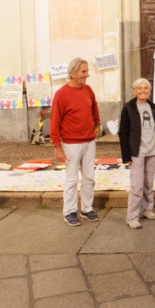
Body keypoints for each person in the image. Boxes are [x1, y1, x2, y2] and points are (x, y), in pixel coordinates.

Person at [50, 58, 100, 226]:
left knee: (89, 177)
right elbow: (55, 122)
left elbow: (94, 108)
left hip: (89, 142)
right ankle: (70, 212)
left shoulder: (88, 90)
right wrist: (57, 147)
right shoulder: (61, 94)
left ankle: (87, 209)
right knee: (72, 179)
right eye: (83, 72)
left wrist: (97, 123)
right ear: (72, 73)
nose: (87, 75)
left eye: (87, 71)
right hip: (71, 144)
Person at [119, 78, 155, 229]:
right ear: (134, 91)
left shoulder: (153, 107)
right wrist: (126, 155)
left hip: (152, 151)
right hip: (137, 152)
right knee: (137, 185)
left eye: (146, 88)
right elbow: (123, 132)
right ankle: (132, 216)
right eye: (139, 88)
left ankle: (147, 210)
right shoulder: (129, 108)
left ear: (150, 91)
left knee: (148, 183)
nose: (143, 91)